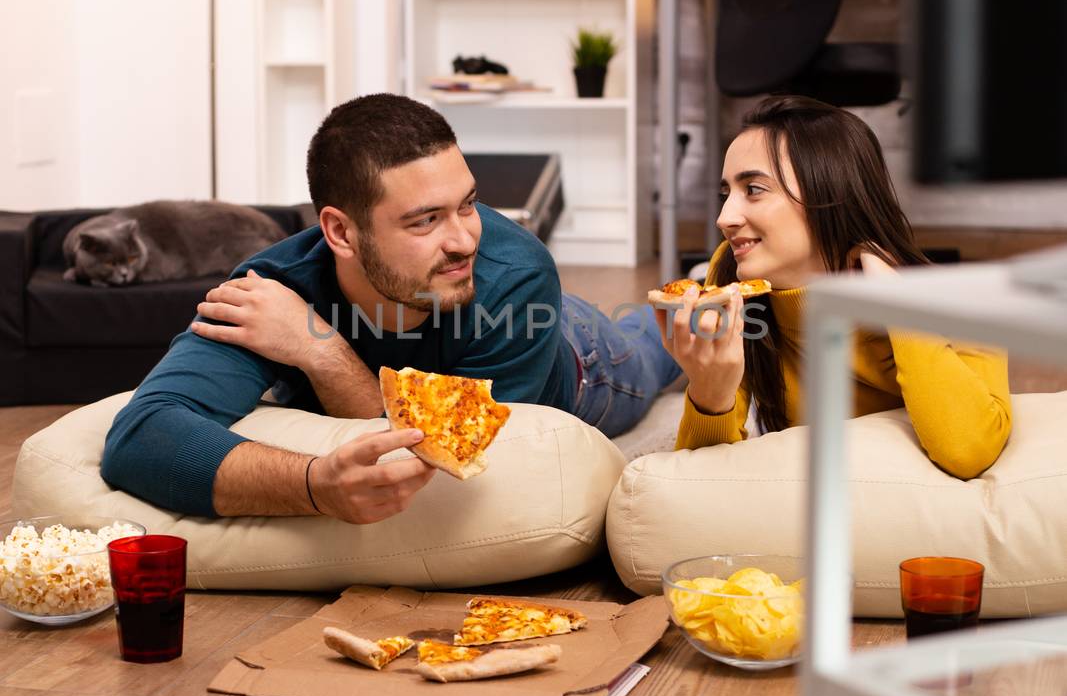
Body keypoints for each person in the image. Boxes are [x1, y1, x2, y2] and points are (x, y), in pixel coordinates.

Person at [101, 94, 679, 523]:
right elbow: (141, 439)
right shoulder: (273, 291)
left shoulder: (516, 273)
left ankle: (686, 301)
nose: (463, 240)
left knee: (657, 349)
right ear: (341, 232)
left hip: (577, 356)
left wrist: (323, 354)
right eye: (425, 220)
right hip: (469, 338)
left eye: (468, 205)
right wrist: (311, 484)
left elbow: (464, 466)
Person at [656, 95, 1011, 479]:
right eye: (726, 194)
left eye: (754, 189)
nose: (724, 218)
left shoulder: (962, 306)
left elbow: (969, 450)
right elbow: (698, 484)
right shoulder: (731, 274)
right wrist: (710, 394)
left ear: (830, 194)